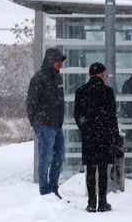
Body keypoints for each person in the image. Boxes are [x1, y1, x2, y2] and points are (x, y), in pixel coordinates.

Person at [73, 62, 122, 213]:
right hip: (104, 135)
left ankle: (91, 202)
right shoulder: (107, 91)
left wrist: (85, 128)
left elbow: (77, 114)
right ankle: (102, 201)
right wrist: (114, 136)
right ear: (101, 74)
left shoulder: (81, 91)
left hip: (89, 136)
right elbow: (112, 116)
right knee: (102, 169)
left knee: (90, 168)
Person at [26, 46, 67, 197]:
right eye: (57, 61)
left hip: (56, 124)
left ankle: (53, 187)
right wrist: (35, 122)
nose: (60, 63)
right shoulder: (39, 78)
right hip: (44, 125)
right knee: (46, 157)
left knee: (59, 156)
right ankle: (45, 190)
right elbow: (31, 102)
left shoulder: (58, 78)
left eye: (61, 61)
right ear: (50, 60)